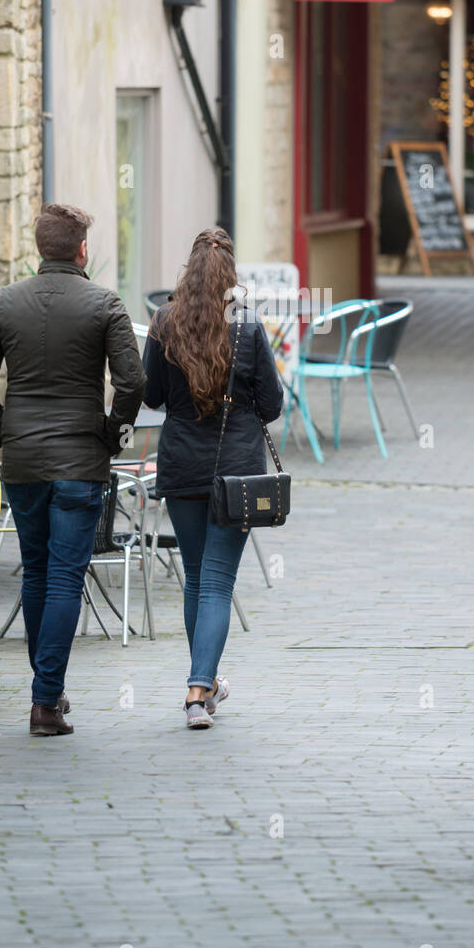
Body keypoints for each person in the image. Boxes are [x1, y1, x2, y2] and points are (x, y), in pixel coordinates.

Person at [0, 203, 146, 737]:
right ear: (82, 249)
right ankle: (46, 700)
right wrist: (111, 433)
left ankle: (47, 693)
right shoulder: (104, 304)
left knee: (38, 571)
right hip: (80, 461)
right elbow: (132, 383)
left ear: (40, 247)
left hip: (22, 462)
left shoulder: (4, 302)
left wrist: (2, 427)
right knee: (66, 574)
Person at [143, 227, 284, 729]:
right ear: (231, 278)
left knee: (197, 578)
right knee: (217, 584)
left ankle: (204, 683)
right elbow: (272, 404)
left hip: (181, 466)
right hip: (238, 471)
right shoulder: (247, 326)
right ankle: (198, 692)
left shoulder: (164, 322)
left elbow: (152, 398)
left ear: (188, 272)